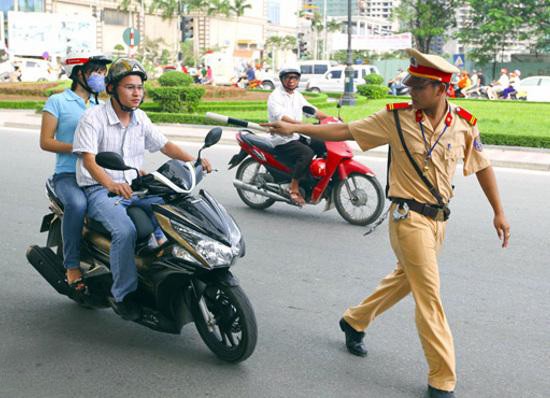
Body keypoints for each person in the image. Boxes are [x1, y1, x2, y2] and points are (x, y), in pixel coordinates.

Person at [262, 48, 511, 398]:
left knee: (406, 280)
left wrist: (498, 211)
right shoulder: (396, 118)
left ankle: (354, 320)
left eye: (418, 86)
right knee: (429, 295)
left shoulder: (465, 123)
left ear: (441, 89)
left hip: (439, 220)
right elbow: (345, 130)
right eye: (409, 84)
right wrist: (293, 126)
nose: (410, 91)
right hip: (408, 219)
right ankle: (442, 379)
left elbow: (482, 165)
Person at [72, 58, 212, 321]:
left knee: (176, 211)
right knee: (125, 230)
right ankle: (123, 295)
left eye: (139, 87)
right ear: (112, 88)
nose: (137, 93)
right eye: (129, 87)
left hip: (136, 186)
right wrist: (111, 183)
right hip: (100, 190)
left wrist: (192, 160)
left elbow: (165, 145)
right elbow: (89, 160)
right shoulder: (93, 118)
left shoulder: (141, 118)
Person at [39, 52, 112, 293]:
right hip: (67, 175)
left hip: (97, 173)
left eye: (103, 72)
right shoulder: (58, 101)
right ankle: (71, 266)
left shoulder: (102, 105)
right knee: (78, 206)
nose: (101, 77)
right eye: (96, 71)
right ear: (79, 73)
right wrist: (79, 148)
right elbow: (46, 142)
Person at [267, 65, 329, 206]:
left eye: (294, 77)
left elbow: (312, 110)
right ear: (282, 79)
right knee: (307, 153)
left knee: (322, 144)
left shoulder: (297, 95)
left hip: (296, 134)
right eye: (288, 77)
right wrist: (300, 125)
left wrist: (330, 119)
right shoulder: (275, 96)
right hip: (281, 138)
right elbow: (282, 117)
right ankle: (293, 187)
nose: (291, 80)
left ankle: (315, 179)